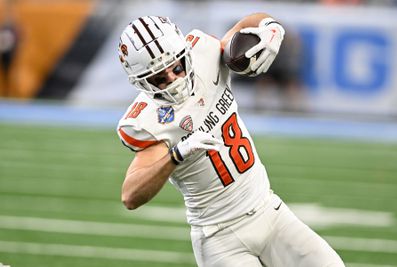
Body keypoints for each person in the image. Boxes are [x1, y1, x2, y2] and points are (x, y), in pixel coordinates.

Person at [116, 13, 345, 267]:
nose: (173, 79)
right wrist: (176, 155)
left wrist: (271, 26)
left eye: (177, 66)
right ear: (141, 83)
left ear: (185, 53)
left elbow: (248, 23)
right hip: (219, 237)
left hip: (269, 210)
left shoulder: (203, 54)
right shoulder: (149, 120)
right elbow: (130, 195)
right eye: (159, 78)